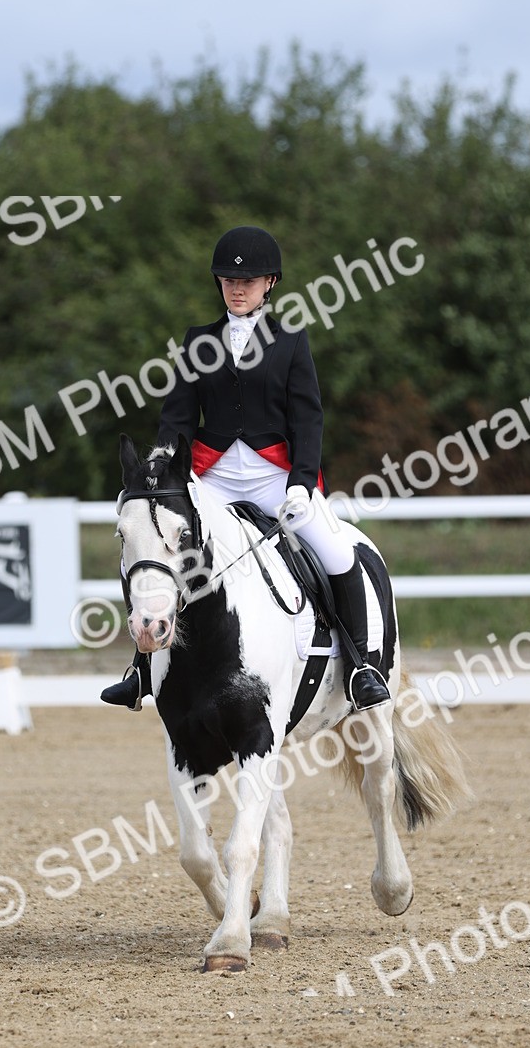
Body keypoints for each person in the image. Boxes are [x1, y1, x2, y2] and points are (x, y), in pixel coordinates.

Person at [101, 226, 391, 712]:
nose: (238, 288)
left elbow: (308, 418)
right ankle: (141, 668)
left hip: (274, 474)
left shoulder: (291, 342)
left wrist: (301, 483)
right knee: (158, 546)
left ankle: (362, 665)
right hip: (211, 475)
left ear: (270, 283)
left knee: (337, 550)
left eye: (249, 280)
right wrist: (159, 473)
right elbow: (177, 417)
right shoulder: (198, 341)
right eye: (229, 280)